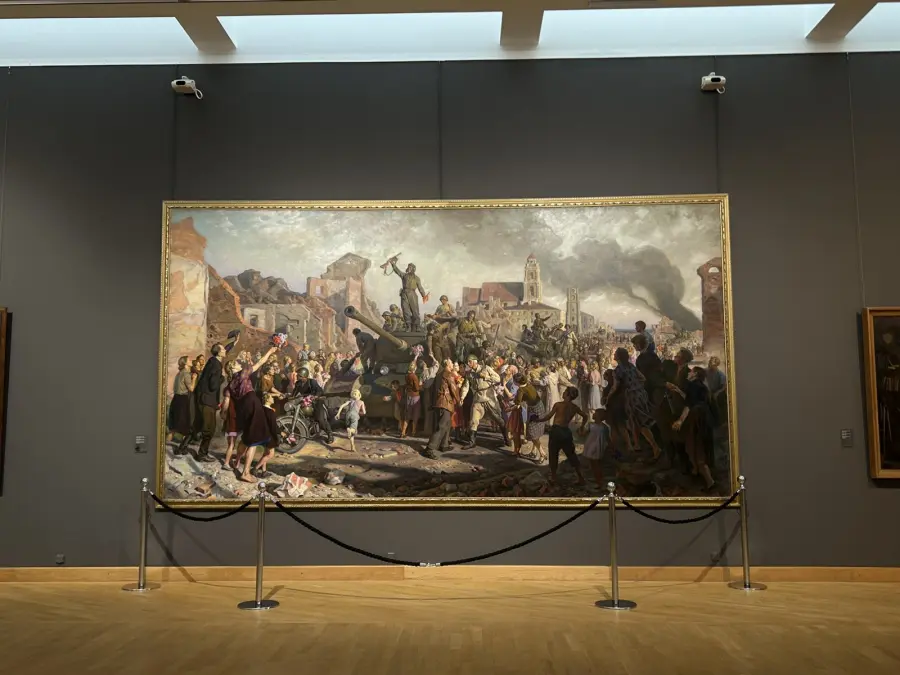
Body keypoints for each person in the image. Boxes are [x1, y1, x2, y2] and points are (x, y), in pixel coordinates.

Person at [672, 367, 716, 490]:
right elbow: (692, 399)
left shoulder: (692, 385)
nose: (688, 373)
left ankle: (710, 481)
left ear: (695, 374)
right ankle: (696, 471)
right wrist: (678, 390)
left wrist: (680, 421)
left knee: (696, 448)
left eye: (691, 371)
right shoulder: (701, 386)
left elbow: (688, 405)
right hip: (704, 419)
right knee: (697, 446)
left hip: (696, 418)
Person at [181, 343, 226, 462]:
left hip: (202, 398)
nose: (225, 350)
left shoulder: (212, 360)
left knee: (198, 425)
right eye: (223, 349)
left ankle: (182, 447)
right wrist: (222, 378)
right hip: (208, 401)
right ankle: (202, 454)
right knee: (209, 429)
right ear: (219, 352)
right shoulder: (217, 365)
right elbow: (213, 385)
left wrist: (233, 342)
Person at [534, 386, 587, 485]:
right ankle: (581, 477)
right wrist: (582, 426)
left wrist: (538, 420)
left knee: (553, 454)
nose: (563, 393)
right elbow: (585, 416)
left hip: (556, 431)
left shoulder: (558, 405)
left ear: (568, 395)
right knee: (572, 455)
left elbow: (548, 417)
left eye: (565, 392)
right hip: (566, 432)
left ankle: (554, 477)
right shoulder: (574, 407)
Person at [423, 359, 460, 459]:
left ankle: (444, 445)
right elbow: (453, 389)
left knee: (447, 425)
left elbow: (432, 389)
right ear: (447, 364)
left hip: (439, 403)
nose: (452, 364)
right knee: (442, 426)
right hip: (445, 403)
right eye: (451, 363)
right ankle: (429, 449)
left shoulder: (439, 375)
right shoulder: (448, 374)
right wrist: (459, 400)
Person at [239, 393, 280, 482]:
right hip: (268, 435)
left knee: (265, 452)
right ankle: (255, 468)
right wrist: (279, 434)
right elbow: (273, 426)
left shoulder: (261, 409)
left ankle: (264, 471)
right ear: (267, 399)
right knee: (270, 454)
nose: (273, 399)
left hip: (261, 433)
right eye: (271, 397)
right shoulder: (271, 412)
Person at [292, 367, 334, 444]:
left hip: (317, 402)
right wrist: (288, 396)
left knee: (320, 419)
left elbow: (319, 391)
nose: (297, 376)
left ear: (304, 376)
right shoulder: (298, 383)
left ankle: (330, 434)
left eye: (299, 375)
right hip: (306, 402)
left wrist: (315, 396)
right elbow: (294, 393)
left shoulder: (312, 382)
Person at [389, 257, 429, 332]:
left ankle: (417, 326)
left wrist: (424, 295)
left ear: (413, 269)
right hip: (404, 294)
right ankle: (408, 327)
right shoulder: (404, 275)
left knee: (415, 311)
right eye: (408, 267)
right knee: (405, 310)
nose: (408, 268)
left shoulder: (417, 278)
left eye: (410, 267)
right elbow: (397, 271)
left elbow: (420, 287)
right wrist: (393, 264)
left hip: (412, 294)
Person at [168, 356, 195, 452]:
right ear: (185, 363)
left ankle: (166, 448)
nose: (191, 360)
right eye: (189, 360)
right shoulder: (186, 373)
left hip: (176, 399)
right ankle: (182, 449)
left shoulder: (179, 373)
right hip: (182, 400)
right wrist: (194, 378)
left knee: (173, 427)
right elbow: (191, 388)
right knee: (185, 426)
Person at [583, 408, 611, 487]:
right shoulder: (603, 427)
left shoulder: (592, 425)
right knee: (595, 465)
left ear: (599, 416)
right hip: (594, 446)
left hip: (593, 447)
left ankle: (599, 482)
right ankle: (598, 481)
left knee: (595, 465)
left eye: (595, 413)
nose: (593, 414)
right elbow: (608, 439)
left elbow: (583, 434)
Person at [337, 389, 366, 453]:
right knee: (354, 431)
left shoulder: (349, 401)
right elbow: (364, 412)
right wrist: (359, 413)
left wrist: (338, 414)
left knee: (351, 433)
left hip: (347, 415)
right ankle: (350, 430)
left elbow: (342, 406)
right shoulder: (361, 402)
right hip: (354, 415)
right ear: (359, 395)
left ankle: (352, 446)